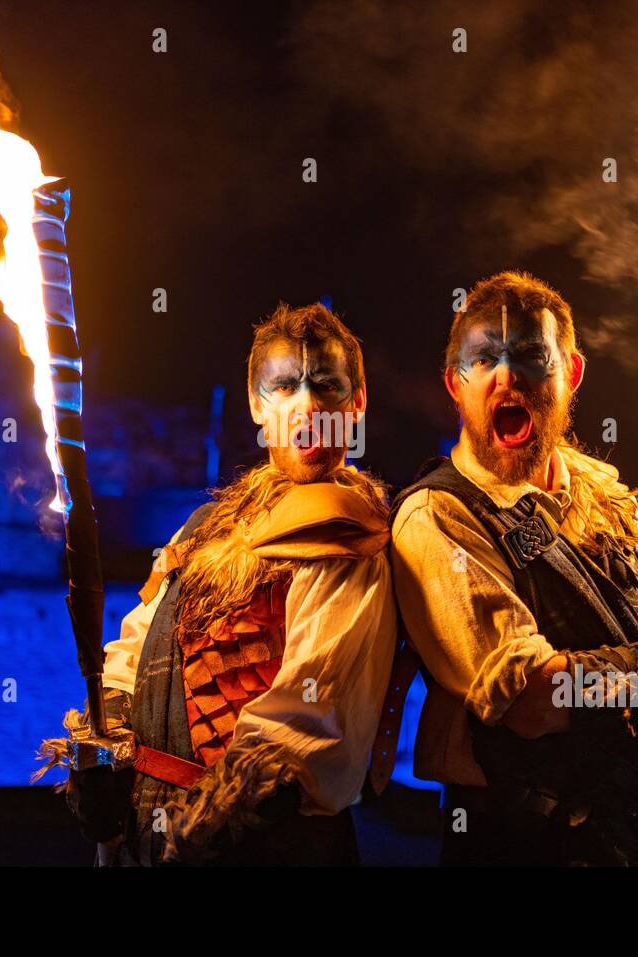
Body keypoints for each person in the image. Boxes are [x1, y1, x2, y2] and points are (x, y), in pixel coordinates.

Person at [389, 271, 638, 865]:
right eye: (484, 358)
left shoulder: (601, 493)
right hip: (526, 854)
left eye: (529, 355)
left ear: (569, 375)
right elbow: (534, 699)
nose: (507, 374)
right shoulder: (438, 516)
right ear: (454, 384)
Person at [39, 301, 396, 865]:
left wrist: (207, 826)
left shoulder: (347, 539)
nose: (307, 404)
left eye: (326, 385)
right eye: (284, 386)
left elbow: (310, 723)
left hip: (263, 844)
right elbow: (135, 648)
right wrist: (105, 744)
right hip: (147, 828)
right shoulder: (205, 527)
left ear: (357, 403)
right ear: (256, 403)